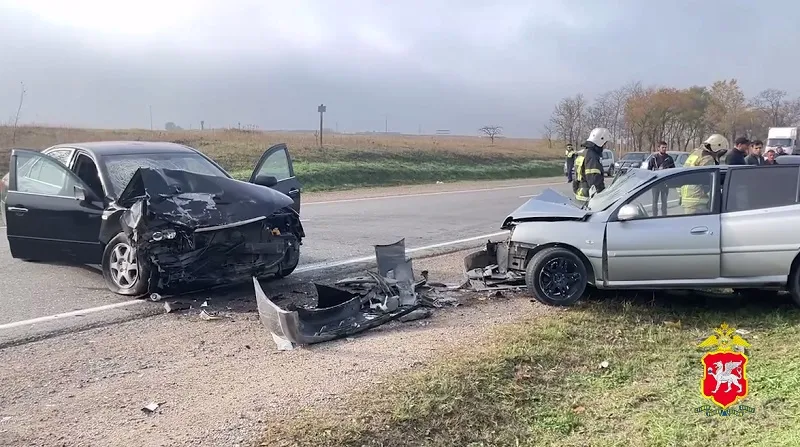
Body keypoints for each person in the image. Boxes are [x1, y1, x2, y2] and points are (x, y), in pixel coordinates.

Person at [680, 134, 728, 214]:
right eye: (721, 151)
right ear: (716, 147)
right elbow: (709, 181)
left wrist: (680, 196)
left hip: (686, 197)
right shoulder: (708, 158)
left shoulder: (695, 154)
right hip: (698, 200)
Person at [574, 127, 610, 206]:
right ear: (600, 141)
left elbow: (576, 178)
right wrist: (602, 195)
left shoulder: (583, 153)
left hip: (580, 194)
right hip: (589, 198)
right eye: (604, 143)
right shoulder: (592, 155)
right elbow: (594, 180)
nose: (604, 146)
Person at [647, 141, 676, 216]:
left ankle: (664, 216)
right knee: (654, 202)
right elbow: (648, 170)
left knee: (664, 202)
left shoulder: (669, 159)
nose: (664, 149)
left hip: (665, 184)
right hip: (655, 183)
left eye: (665, 147)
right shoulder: (654, 158)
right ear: (658, 148)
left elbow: (673, 170)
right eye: (662, 147)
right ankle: (654, 217)